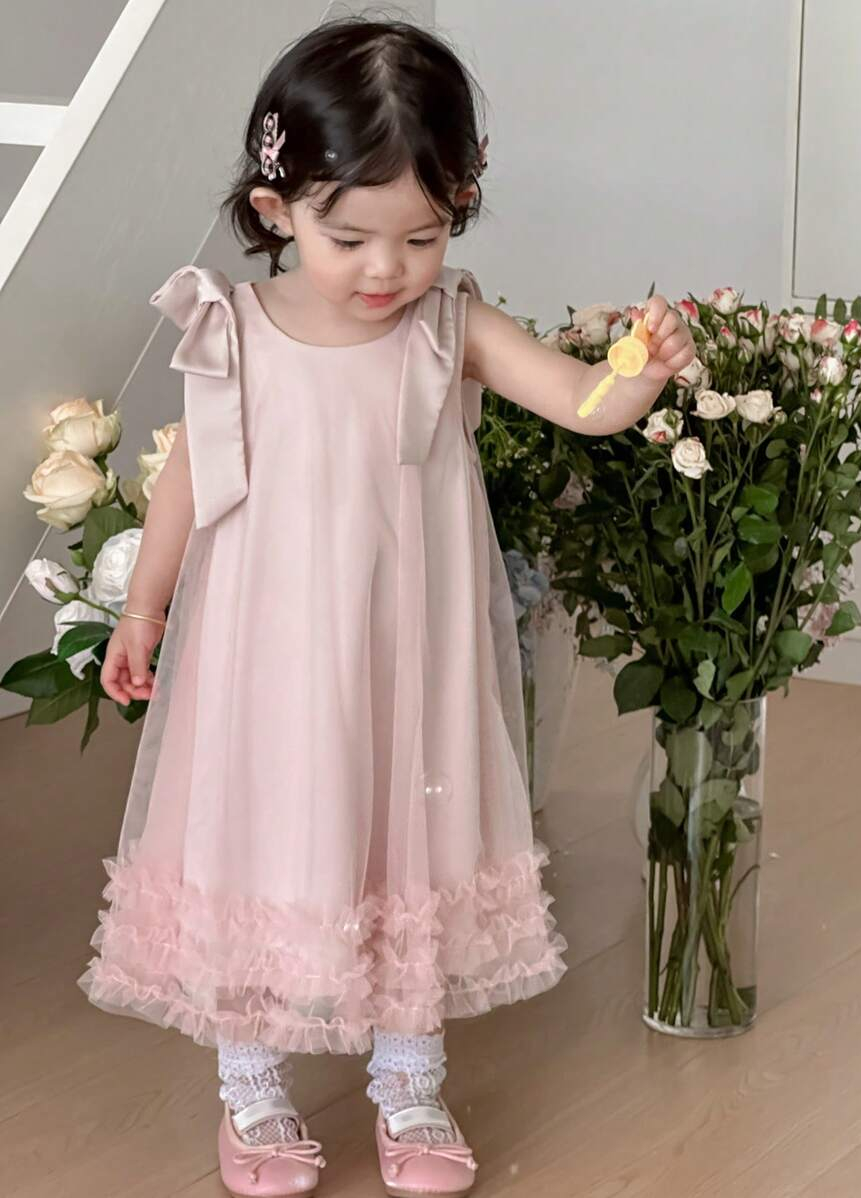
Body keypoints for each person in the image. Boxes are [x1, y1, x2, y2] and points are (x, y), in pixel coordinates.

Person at [77, 16, 694, 1198]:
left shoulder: (451, 324)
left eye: (421, 236)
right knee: (263, 830)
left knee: (410, 836)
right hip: (266, 653)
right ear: (276, 209)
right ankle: (251, 1086)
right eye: (347, 236)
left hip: (410, 654)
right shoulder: (235, 329)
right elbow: (186, 483)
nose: (384, 271)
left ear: (460, 205)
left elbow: (581, 401)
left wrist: (641, 370)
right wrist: (144, 612)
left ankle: (410, 1077)